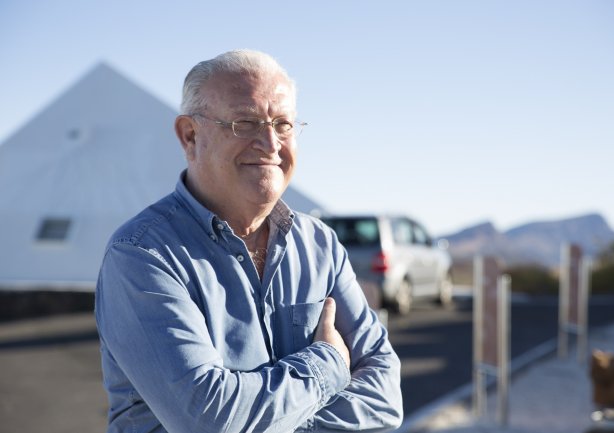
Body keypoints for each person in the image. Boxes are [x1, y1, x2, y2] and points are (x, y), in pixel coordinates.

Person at [95, 49, 403, 433]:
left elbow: (385, 399)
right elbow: (208, 421)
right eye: (245, 123)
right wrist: (328, 363)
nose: (271, 144)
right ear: (190, 136)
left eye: (283, 125)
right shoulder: (142, 254)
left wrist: (272, 420)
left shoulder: (319, 245)